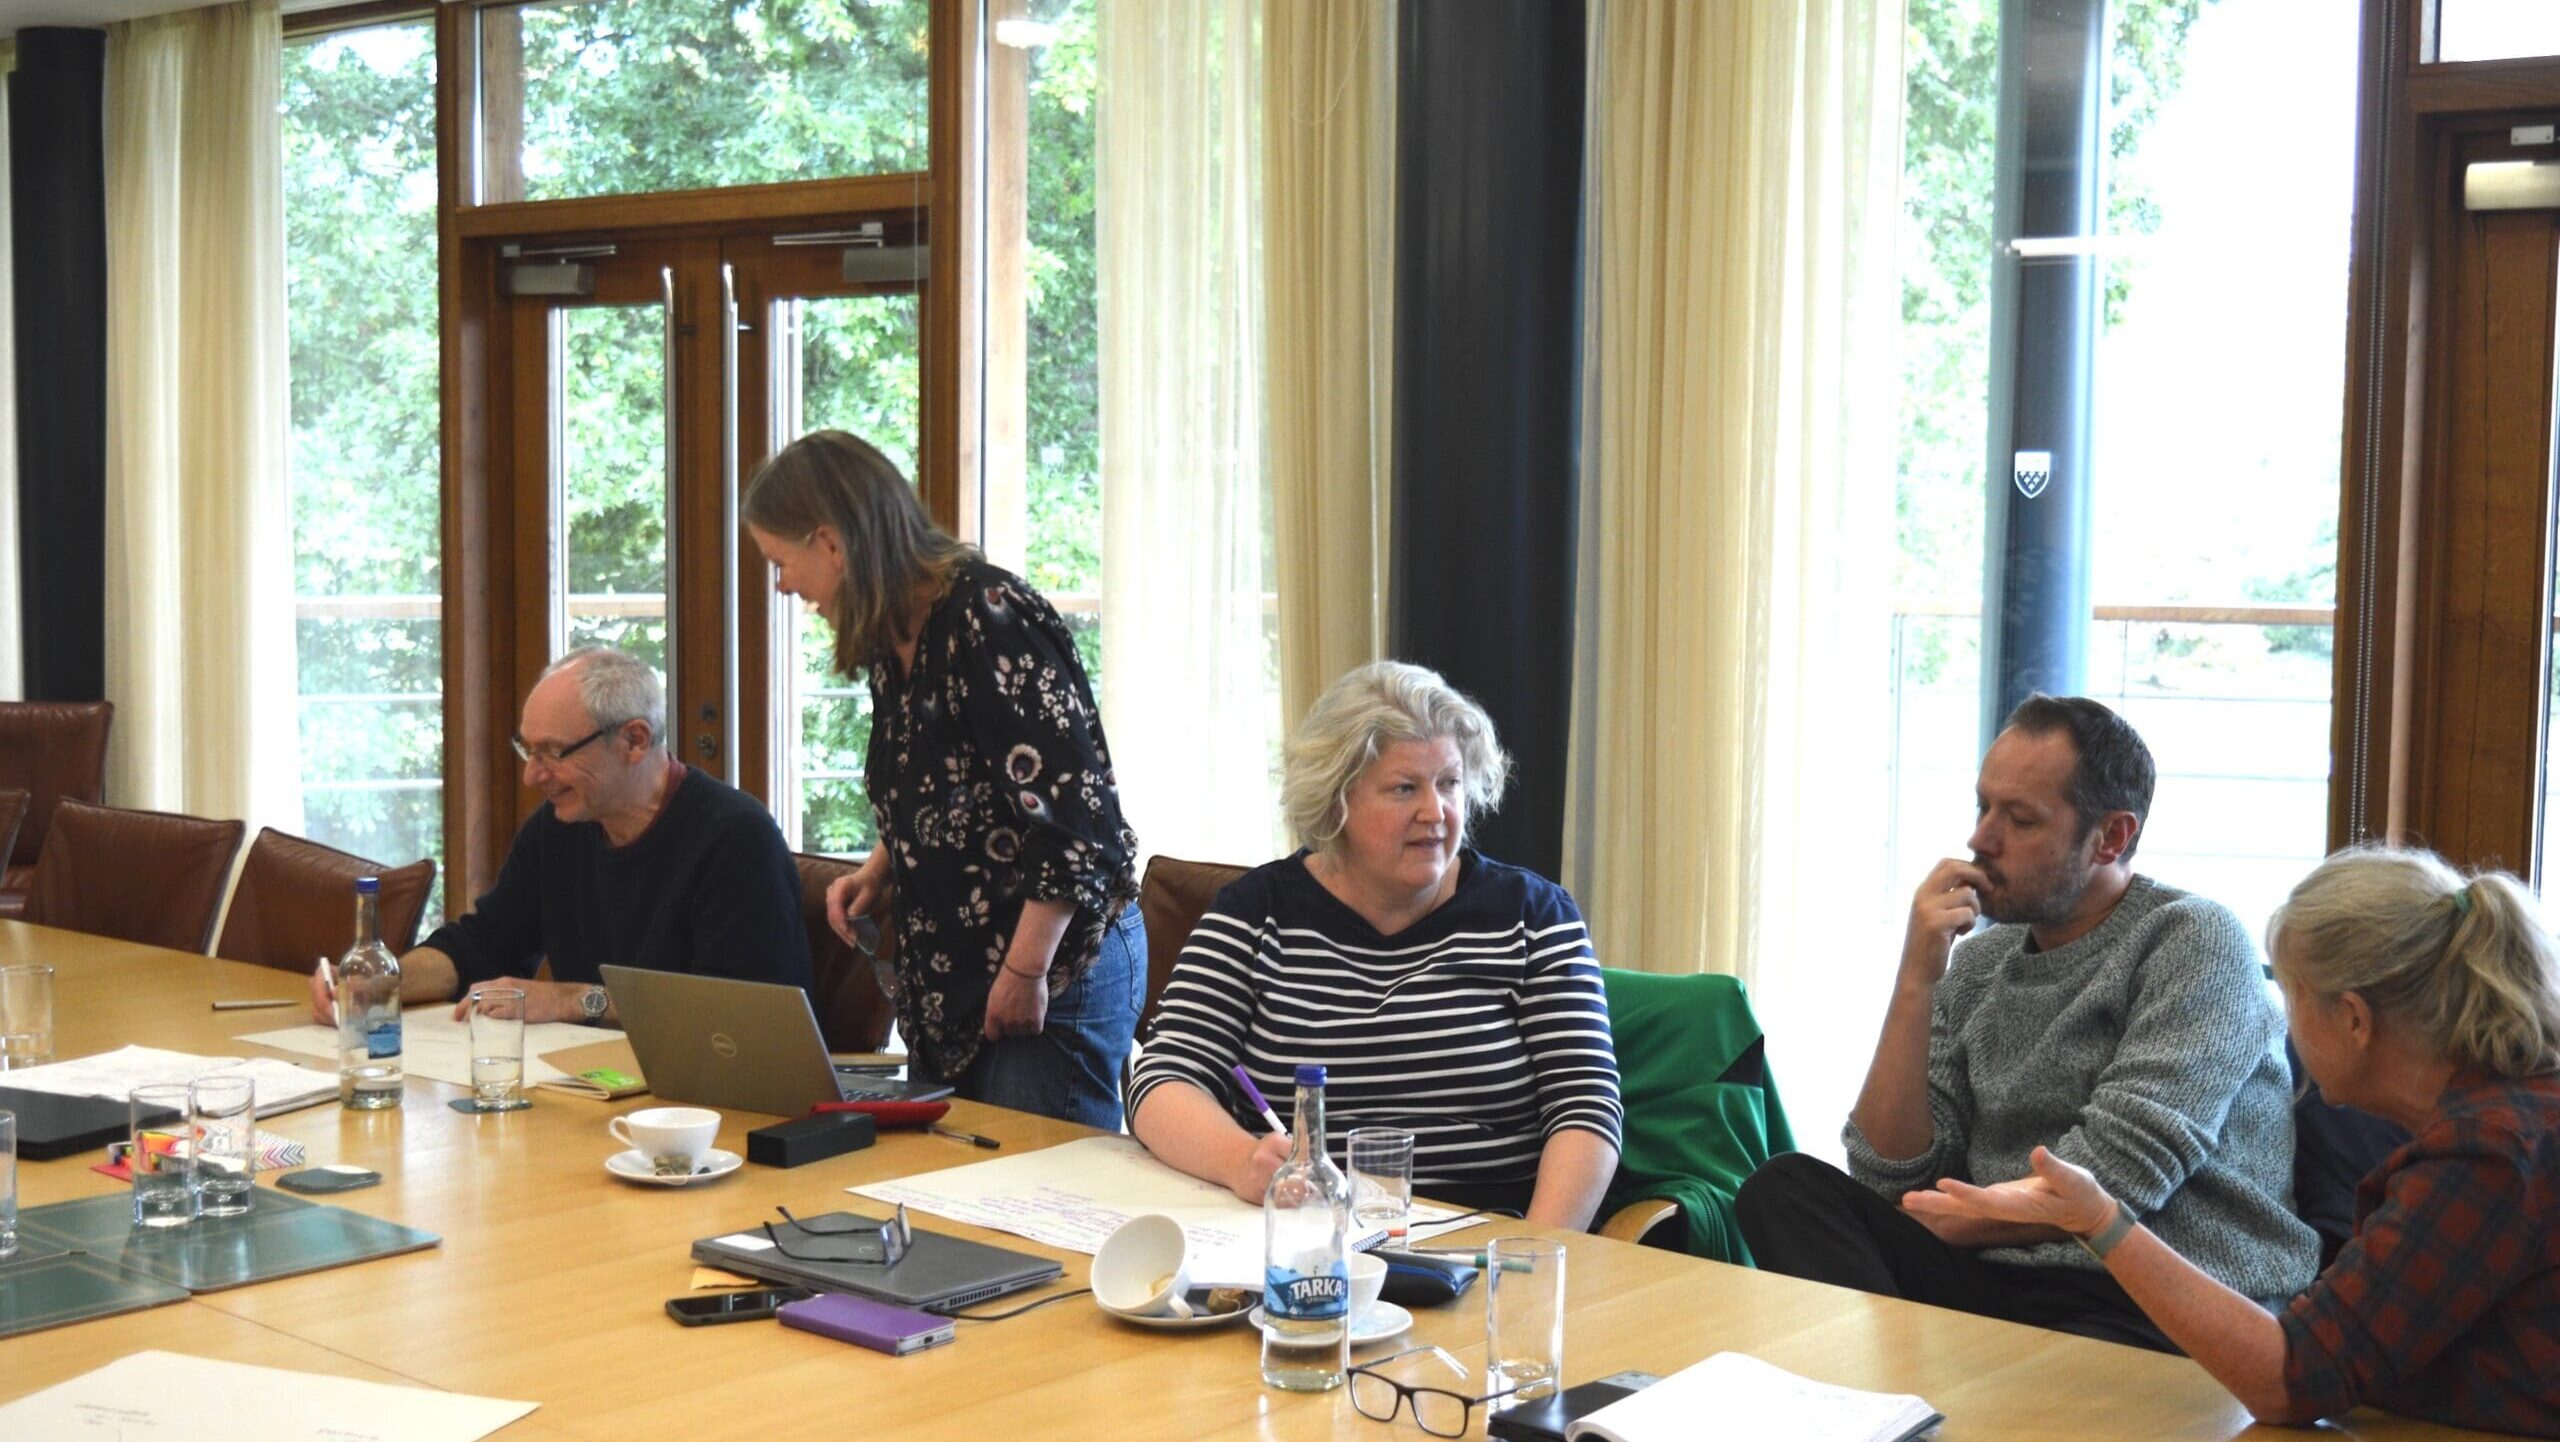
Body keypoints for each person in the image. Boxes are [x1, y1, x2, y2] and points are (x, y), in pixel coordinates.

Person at [1907, 847, 2560, 1436]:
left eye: (2293, 994)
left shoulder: (2487, 1153)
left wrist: (2101, 1220)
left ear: (2354, 1018)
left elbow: (2291, 1379)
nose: (2281, 1016)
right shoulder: (2512, 1117)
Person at [1735, 694, 2316, 1348]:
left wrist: (1944, 1218)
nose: (1981, 840)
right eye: (1983, 807)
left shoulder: (2192, 940)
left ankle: (1909, 1397)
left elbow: (2119, 1176)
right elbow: (1889, 1176)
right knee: (1782, 1188)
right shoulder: (1981, 963)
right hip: (2002, 1284)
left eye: (2020, 819)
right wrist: (1915, 980)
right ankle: (1899, 1402)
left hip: (2159, 1294)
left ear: (2112, 837)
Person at [1128, 661, 1623, 1228]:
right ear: (1337, 801)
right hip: (1303, 1242)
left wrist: (1533, 1254)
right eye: (1404, 788)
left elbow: (1586, 1109)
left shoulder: (1533, 917)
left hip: (1487, 1245)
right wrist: (1240, 1160)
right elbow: (1164, 1079)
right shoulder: (1254, 912)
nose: (1435, 813)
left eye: (1450, 784)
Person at [743, 430, 1143, 1129]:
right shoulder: (893, 638)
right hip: (961, 978)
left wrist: (1024, 974)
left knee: (1034, 1212)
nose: (783, 585)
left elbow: (1078, 827)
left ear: (832, 543)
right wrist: (883, 867)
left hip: (1053, 968)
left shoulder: (987, 617)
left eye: (782, 561)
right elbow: (946, 789)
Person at [307, 646, 809, 1026]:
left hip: (707, 1122)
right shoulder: (560, 827)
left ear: (634, 740)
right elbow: (482, 945)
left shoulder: (734, 839)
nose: (533, 776)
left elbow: (739, 1016)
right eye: (529, 752)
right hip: (595, 1093)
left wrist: (572, 999)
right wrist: (379, 985)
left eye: (553, 752)